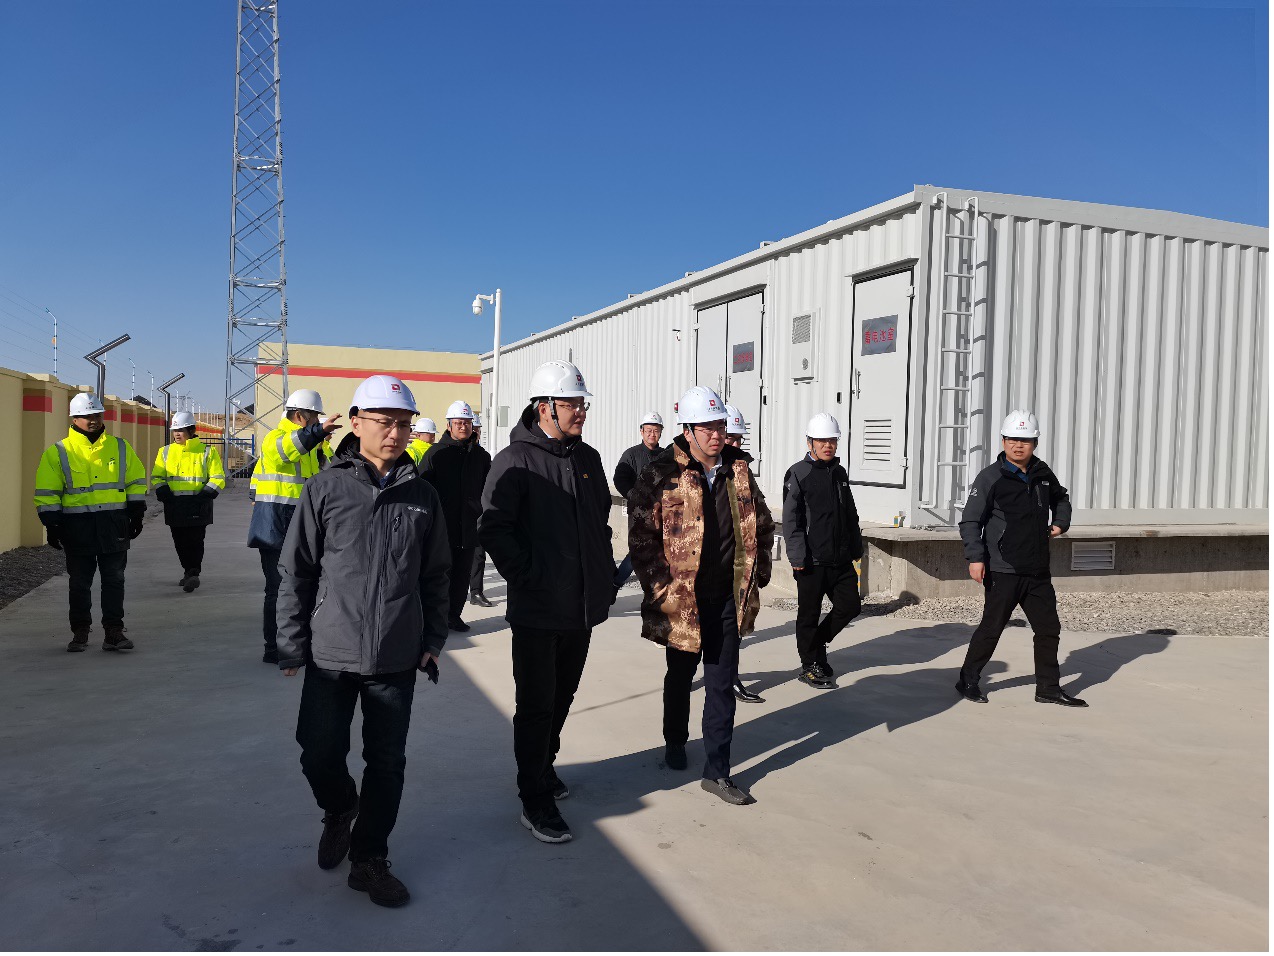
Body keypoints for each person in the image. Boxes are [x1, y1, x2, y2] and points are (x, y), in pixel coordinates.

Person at [275, 375, 451, 908]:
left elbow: (437, 574)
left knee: (387, 763)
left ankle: (370, 858)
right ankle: (339, 808)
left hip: (396, 652)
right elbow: (297, 571)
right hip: (332, 650)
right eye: (384, 422)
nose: (395, 433)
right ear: (356, 423)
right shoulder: (325, 488)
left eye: (403, 424)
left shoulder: (423, 496)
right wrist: (291, 641)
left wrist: (434, 636)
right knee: (317, 751)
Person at [479, 359, 616, 844]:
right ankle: (533, 799)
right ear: (545, 407)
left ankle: (544, 767)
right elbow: (494, 528)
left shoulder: (588, 458)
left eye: (583, 403)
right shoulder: (514, 461)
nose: (581, 412)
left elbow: (600, 524)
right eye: (572, 404)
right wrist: (530, 577)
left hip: (580, 608)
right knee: (536, 705)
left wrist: (604, 576)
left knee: (562, 697)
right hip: (538, 610)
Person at [629, 385, 775, 806]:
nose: (716, 434)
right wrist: (661, 589)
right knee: (680, 676)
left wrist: (759, 571)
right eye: (707, 428)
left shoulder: (738, 470)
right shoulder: (662, 472)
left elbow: (762, 522)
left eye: (720, 426)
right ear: (688, 431)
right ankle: (675, 740)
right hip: (683, 602)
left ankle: (717, 771)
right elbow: (641, 536)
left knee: (722, 684)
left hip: (727, 597)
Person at [957, 410, 1085, 707]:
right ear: (1003, 441)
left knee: (1049, 630)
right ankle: (967, 680)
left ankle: (1048, 688)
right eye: (1013, 439)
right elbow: (970, 521)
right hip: (1003, 569)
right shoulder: (990, 478)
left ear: (1034, 443)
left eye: (1025, 440)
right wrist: (975, 557)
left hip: (1037, 569)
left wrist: (1060, 523)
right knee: (992, 628)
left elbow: (1061, 498)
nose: (1018, 445)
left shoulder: (1042, 473)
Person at [33, 392, 148, 652]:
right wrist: (52, 524)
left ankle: (114, 632)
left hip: (114, 524)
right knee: (79, 582)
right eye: (86, 416)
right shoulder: (58, 452)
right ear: (74, 419)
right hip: (77, 527)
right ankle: (80, 631)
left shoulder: (120, 447)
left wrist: (137, 512)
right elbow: (47, 491)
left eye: (96, 414)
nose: (93, 420)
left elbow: (136, 481)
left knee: (114, 580)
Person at [248, 389, 342, 664]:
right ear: (300, 416)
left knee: (303, 586)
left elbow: (330, 473)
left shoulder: (312, 445)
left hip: (299, 524)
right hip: (274, 524)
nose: (317, 422)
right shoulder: (275, 438)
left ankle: (301, 643)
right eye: (314, 417)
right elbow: (286, 450)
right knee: (279, 589)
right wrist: (317, 433)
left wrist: (322, 444)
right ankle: (275, 648)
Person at [782, 412, 863, 690]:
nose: (828, 445)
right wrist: (797, 556)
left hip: (840, 559)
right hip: (811, 561)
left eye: (832, 440)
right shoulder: (798, 473)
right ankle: (809, 666)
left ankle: (816, 646)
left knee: (850, 606)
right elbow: (791, 520)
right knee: (809, 614)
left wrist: (855, 546)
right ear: (810, 443)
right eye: (822, 441)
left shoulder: (839, 473)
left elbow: (850, 513)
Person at [419, 400, 491, 632]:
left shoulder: (481, 456)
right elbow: (421, 489)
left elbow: (489, 489)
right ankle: (434, 620)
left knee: (461, 576)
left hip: (469, 527)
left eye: (467, 422)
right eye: (458, 422)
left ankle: (453, 616)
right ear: (449, 425)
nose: (463, 426)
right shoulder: (436, 454)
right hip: (442, 527)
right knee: (440, 576)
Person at [718, 404, 766, 705]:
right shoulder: (697, 471)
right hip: (702, 570)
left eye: (738, 439)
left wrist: (763, 563)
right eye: (730, 438)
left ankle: (730, 679)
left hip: (737, 569)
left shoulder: (743, 472)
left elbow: (762, 517)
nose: (735, 444)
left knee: (733, 630)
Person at [151, 411, 226, 592]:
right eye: (175, 430)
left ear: (191, 430)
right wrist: (163, 491)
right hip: (175, 504)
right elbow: (157, 476)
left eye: (181, 430)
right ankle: (188, 571)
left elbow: (218, 477)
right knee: (180, 541)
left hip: (198, 505)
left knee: (196, 540)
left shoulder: (207, 451)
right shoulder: (165, 452)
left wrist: (205, 496)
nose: (177, 434)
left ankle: (193, 573)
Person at [611, 412, 664, 589]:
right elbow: (620, 478)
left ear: (661, 432)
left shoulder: (665, 455)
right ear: (641, 431)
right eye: (648, 430)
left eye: (656, 430)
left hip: (663, 512)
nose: (652, 434)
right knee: (639, 550)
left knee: (662, 549)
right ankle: (616, 582)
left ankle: (657, 587)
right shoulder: (631, 455)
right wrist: (634, 495)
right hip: (639, 512)